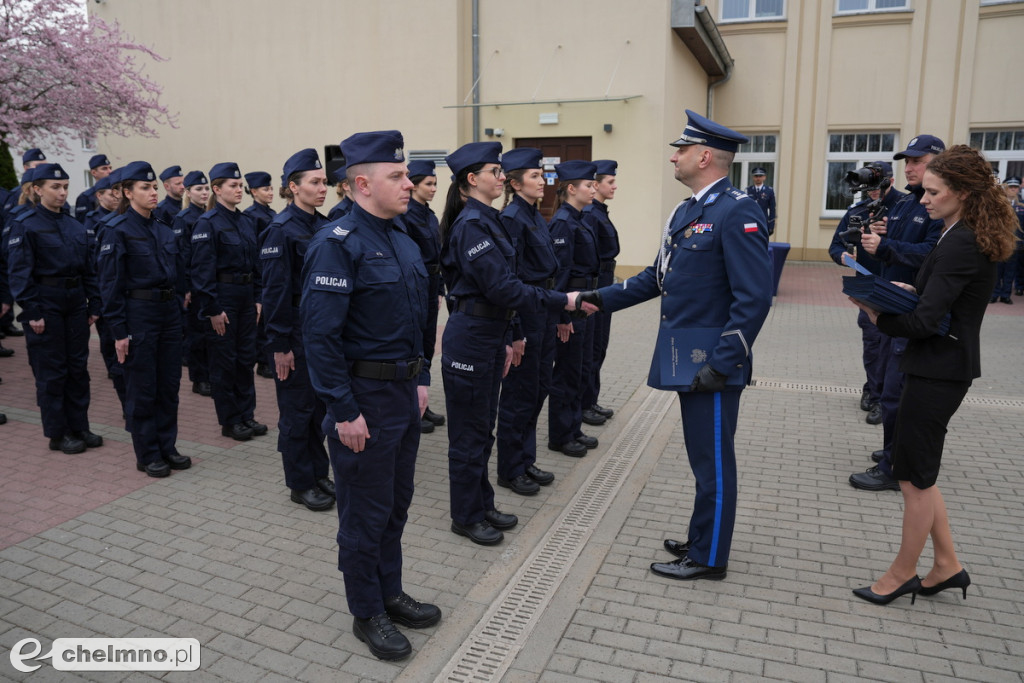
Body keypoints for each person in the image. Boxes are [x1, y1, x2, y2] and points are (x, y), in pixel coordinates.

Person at [578, 110, 773, 580]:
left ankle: (709, 559)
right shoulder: (688, 211)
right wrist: (594, 300)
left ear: (704, 156)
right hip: (689, 360)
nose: (673, 157)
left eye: (681, 150)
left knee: (715, 465)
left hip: (714, 366)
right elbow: (657, 278)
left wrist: (724, 364)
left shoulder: (737, 209)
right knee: (702, 458)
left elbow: (754, 298)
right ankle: (701, 537)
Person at [849, 145, 1016, 605]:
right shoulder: (956, 232)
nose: (922, 197)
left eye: (933, 191)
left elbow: (925, 322)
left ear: (962, 192)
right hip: (935, 365)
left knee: (913, 478)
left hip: (940, 369)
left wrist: (876, 312)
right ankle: (946, 565)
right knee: (918, 472)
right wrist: (906, 288)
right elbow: (936, 299)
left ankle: (901, 574)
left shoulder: (962, 241)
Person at [302, 130, 440, 661]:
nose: (409, 184)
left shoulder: (402, 238)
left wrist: (422, 377)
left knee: (396, 504)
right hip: (363, 398)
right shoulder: (336, 244)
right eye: (397, 176)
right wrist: (344, 411)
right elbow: (320, 336)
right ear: (362, 183)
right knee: (363, 512)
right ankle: (367, 611)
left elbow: (417, 319)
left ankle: (390, 589)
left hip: (403, 394)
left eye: (406, 175)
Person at [440, 141, 580, 545]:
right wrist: (562, 301)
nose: (503, 178)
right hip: (471, 338)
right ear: (473, 179)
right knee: (468, 435)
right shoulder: (471, 225)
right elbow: (503, 287)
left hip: (489, 333)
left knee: (483, 430)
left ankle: (481, 504)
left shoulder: (489, 220)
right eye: (495, 172)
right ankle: (465, 515)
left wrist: (510, 334)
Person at [850, 135, 945, 491]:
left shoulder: (934, 207)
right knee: (892, 391)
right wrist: (877, 237)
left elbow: (928, 255)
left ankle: (895, 466)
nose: (910, 167)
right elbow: (897, 248)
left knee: (896, 394)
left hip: (911, 311)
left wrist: (886, 245)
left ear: (937, 162)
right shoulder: (907, 202)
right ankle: (893, 451)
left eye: (917, 161)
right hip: (893, 306)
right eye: (907, 161)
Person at [96, 161, 190, 478]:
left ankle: (167, 446)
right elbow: (110, 286)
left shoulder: (163, 228)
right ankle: (148, 453)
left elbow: (177, 275)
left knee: (168, 385)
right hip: (139, 315)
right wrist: (118, 332)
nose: (152, 193)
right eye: (145, 188)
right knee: (143, 387)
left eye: (153, 187)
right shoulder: (116, 230)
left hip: (167, 314)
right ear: (126, 192)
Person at [6, 163, 104, 454]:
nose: (62, 193)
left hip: (74, 303)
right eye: (55, 187)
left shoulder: (74, 225)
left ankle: (79, 426)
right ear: (37, 189)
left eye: (65, 187)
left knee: (77, 369)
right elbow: (19, 273)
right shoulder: (26, 224)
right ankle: (58, 433)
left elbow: (89, 269)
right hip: (45, 303)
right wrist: (32, 311)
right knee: (52, 371)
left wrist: (94, 303)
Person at [260, 148, 334, 512]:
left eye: (324, 181)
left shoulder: (321, 226)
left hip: (320, 335)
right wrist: (279, 345)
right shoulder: (280, 230)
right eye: (315, 182)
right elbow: (274, 293)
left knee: (319, 410)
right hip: (295, 335)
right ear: (294, 186)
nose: (323, 188)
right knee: (297, 411)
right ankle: (300, 482)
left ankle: (319, 473)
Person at [495, 147, 559, 495]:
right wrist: (515, 331)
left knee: (538, 388)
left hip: (544, 312)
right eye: (535, 176)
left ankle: (525, 458)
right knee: (519, 394)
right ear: (515, 182)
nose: (543, 182)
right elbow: (510, 279)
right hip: (527, 314)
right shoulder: (511, 219)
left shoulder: (536, 216)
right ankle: (509, 468)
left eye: (542, 175)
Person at [190, 162, 267, 441]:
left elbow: (257, 265)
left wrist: (258, 299)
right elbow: (201, 272)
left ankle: (247, 415)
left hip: (246, 299)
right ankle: (230, 420)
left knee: (246, 360)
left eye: (239, 185)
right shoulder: (207, 223)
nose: (239, 190)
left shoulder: (247, 221)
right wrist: (212, 309)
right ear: (217, 189)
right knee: (225, 362)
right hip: (223, 300)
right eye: (232, 186)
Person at [828, 162, 905, 427]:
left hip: (898, 288)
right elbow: (835, 245)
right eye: (869, 188)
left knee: (892, 347)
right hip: (869, 288)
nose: (873, 192)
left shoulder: (906, 208)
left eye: (878, 186)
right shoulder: (857, 212)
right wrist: (842, 256)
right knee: (873, 344)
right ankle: (874, 391)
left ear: (891, 181)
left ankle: (884, 397)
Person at [547, 161, 600, 458]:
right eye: (588, 185)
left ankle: (573, 427)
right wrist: (563, 317)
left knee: (578, 369)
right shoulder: (563, 223)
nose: (593, 190)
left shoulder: (579, 219)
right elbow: (560, 275)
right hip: (571, 307)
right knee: (566, 373)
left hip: (584, 304)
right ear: (571, 188)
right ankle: (560, 434)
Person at [400, 159, 446, 435]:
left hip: (431, 285)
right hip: (416, 286)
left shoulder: (429, 215)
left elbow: (437, 257)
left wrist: (439, 289)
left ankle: (422, 402)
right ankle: (410, 406)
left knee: (428, 344)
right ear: (414, 184)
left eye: (435, 184)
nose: (433, 189)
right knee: (415, 343)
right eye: (428, 184)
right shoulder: (406, 216)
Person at [581, 159, 620, 426]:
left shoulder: (600, 212)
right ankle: (584, 403)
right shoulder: (591, 215)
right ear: (596, 185)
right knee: (592, 347)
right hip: (596, 283)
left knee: (599, 345)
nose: (615, 186)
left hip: (605, 280)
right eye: (611, 181)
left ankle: (590, 399)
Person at [173, 171, 212, 397]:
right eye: (198, 189)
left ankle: (208, 375)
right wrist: (186, 287)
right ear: (187, 192)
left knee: (208, 335)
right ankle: (199, 379)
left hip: (206, 283)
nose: (204, 192)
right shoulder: (184, 218)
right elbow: (181, 256)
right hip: (193, 286)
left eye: (206, 188)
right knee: (196, 335)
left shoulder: (209, 215)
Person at [243, 171, 277, 379]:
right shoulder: (251, 216)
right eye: (266, 189)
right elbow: (253, 249)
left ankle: (267, 359)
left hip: (272, 272)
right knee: (262, 322)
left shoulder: (271, 214)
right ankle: (263, 362)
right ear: (254, 191)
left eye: (271, 188)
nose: (270, 192)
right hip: (261, 272)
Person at [991, 176, 1022, 304]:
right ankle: (994, 294)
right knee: (997, 270)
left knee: (1010, 271)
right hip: (1000, 242)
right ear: (1006, 188)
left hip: (1016, 243)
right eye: (1011, 187)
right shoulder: (998, 204)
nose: (1013, 189)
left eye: (1015, 187)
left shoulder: (1022, 205)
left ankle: (1006, 295)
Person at [73, 154, 113, 219]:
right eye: (104, 169)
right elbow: (83, 223)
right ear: (94, 173)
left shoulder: (117, 192)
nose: (110, 171)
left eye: (110, 168)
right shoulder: (86, 197)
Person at [745, 167, 776, 236]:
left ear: (764, 177)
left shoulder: (769, 191)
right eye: (756, 176)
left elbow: (772, 209)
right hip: (750, 221)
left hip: (763, 221)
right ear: (753, 177)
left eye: (760, 176)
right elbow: (745, 208)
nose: (758, 178)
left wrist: (771, 226)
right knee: (750, 241)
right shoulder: (748, 190)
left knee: (762, 242)